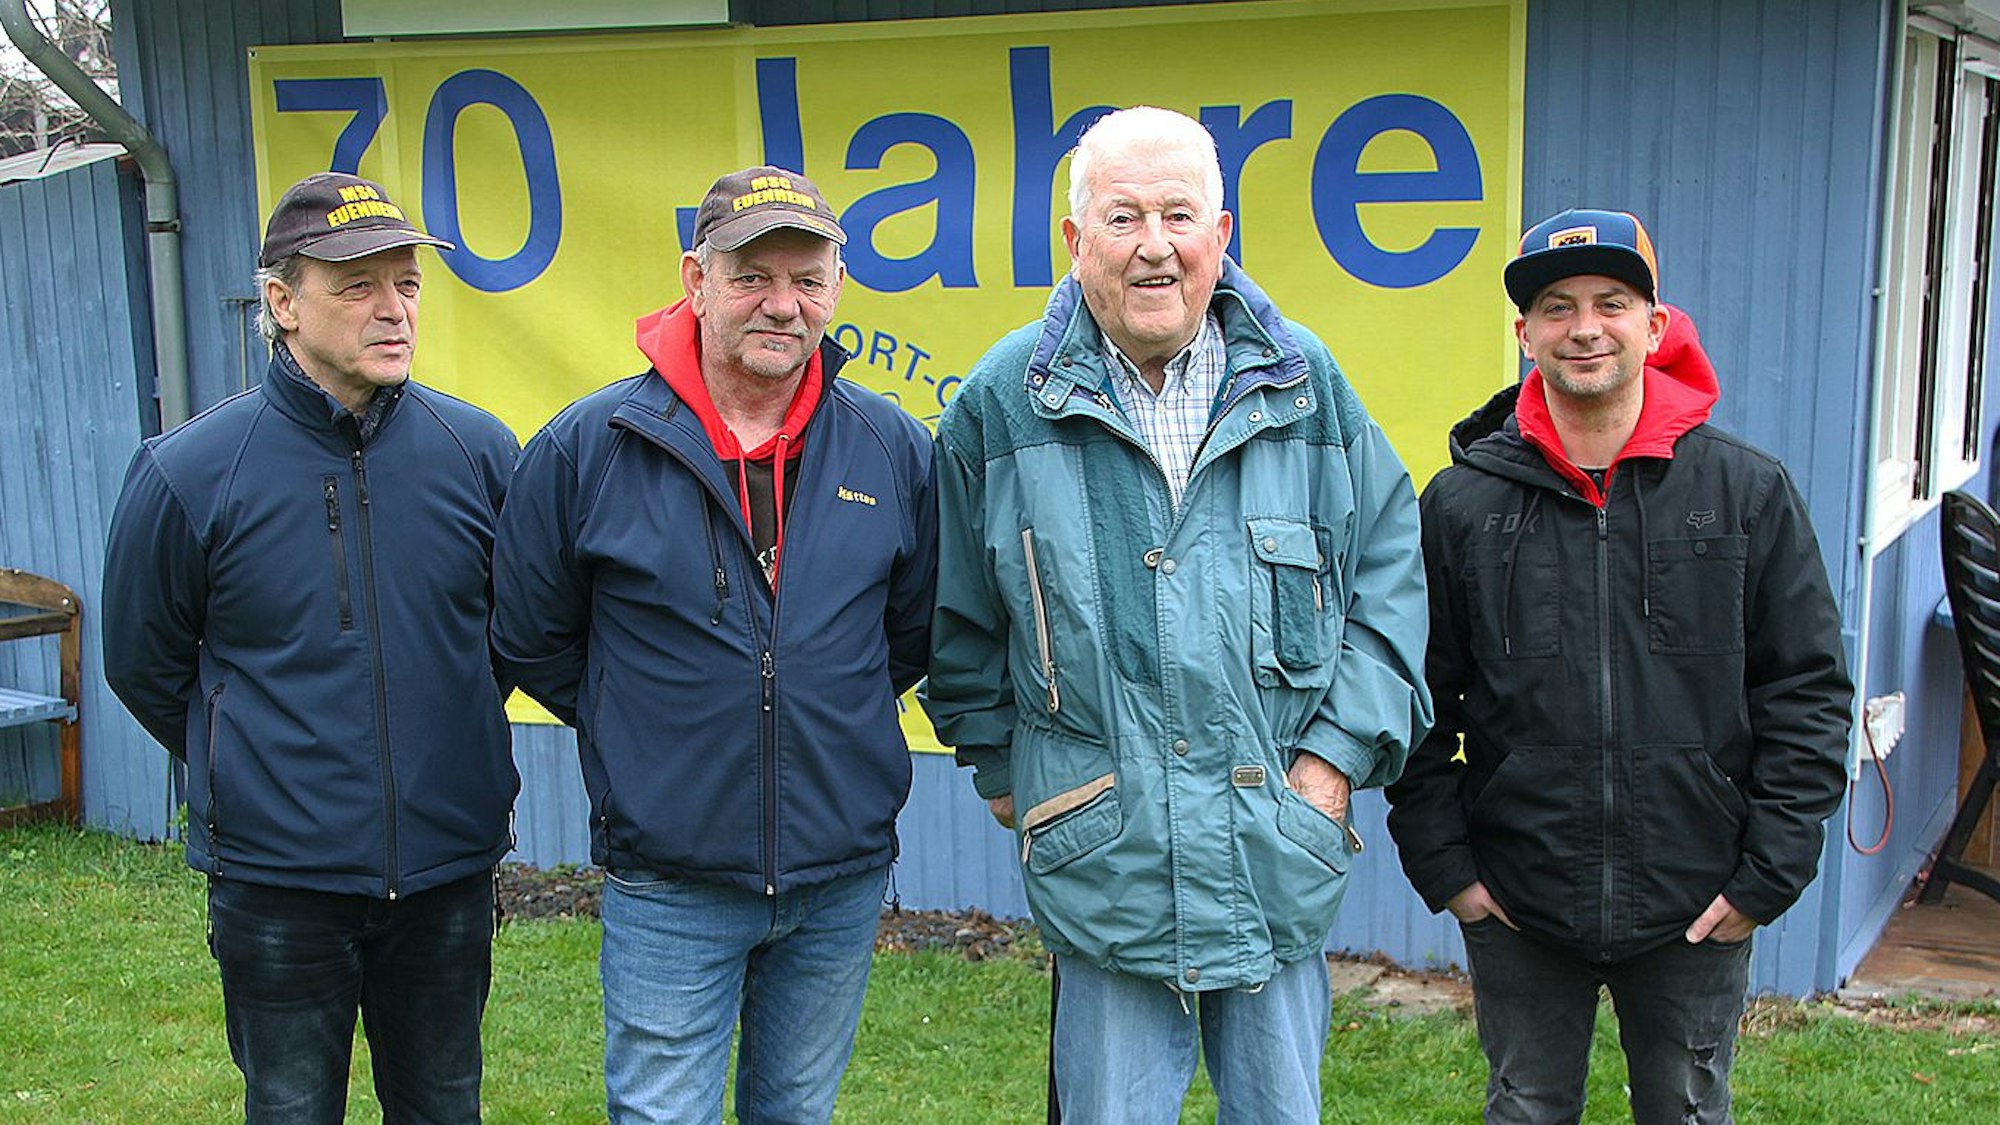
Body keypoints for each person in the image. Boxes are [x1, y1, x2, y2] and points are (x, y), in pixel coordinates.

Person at [923, 106, 1433, 1123]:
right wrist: (1009, 776)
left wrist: (1332, 762)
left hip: (1272, 847)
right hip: (1099, 857)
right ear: (1075, 241)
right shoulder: (1001, 400)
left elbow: (1386, 578)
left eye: (1178, 215)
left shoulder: (1304, 384)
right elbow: (954, 618)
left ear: (1221, 232)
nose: (1152, 245)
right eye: (1122, 218)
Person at [489, 166, 936, 1125]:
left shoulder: (892, 447)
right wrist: (642, 718)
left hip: (838, 874)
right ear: (697, 279)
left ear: (837, 288)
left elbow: (909, 633)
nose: (783, 303)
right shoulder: (591, 446)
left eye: (807, 279)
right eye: (752, 276)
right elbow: (532, 632)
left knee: (797, 1113)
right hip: (671, 879)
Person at [1385, 208, 1853, 1124]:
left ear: (1655, 324)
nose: (1585, 328)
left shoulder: (1745, 491)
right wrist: (1450, 870)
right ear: (1525, 334)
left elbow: (1807, 690)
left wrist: (1765, 874)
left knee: (1687, 1110)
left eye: (1611, 302)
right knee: (1525, 1107)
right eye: (1557, 307)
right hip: (1520, 897)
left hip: (1696, 897)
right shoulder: (1463, 504)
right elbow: (1413, 699)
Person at [101, 172, 520, 1124]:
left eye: (406, 284)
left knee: (444, 1106)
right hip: (277, 886)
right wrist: (255, 763)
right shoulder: (189, 471)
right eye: (358, 285)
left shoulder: (479, 453)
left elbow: (507, 639)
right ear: (282, 303)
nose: (393, 309)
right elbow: (143, 663)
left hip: (446, 872)